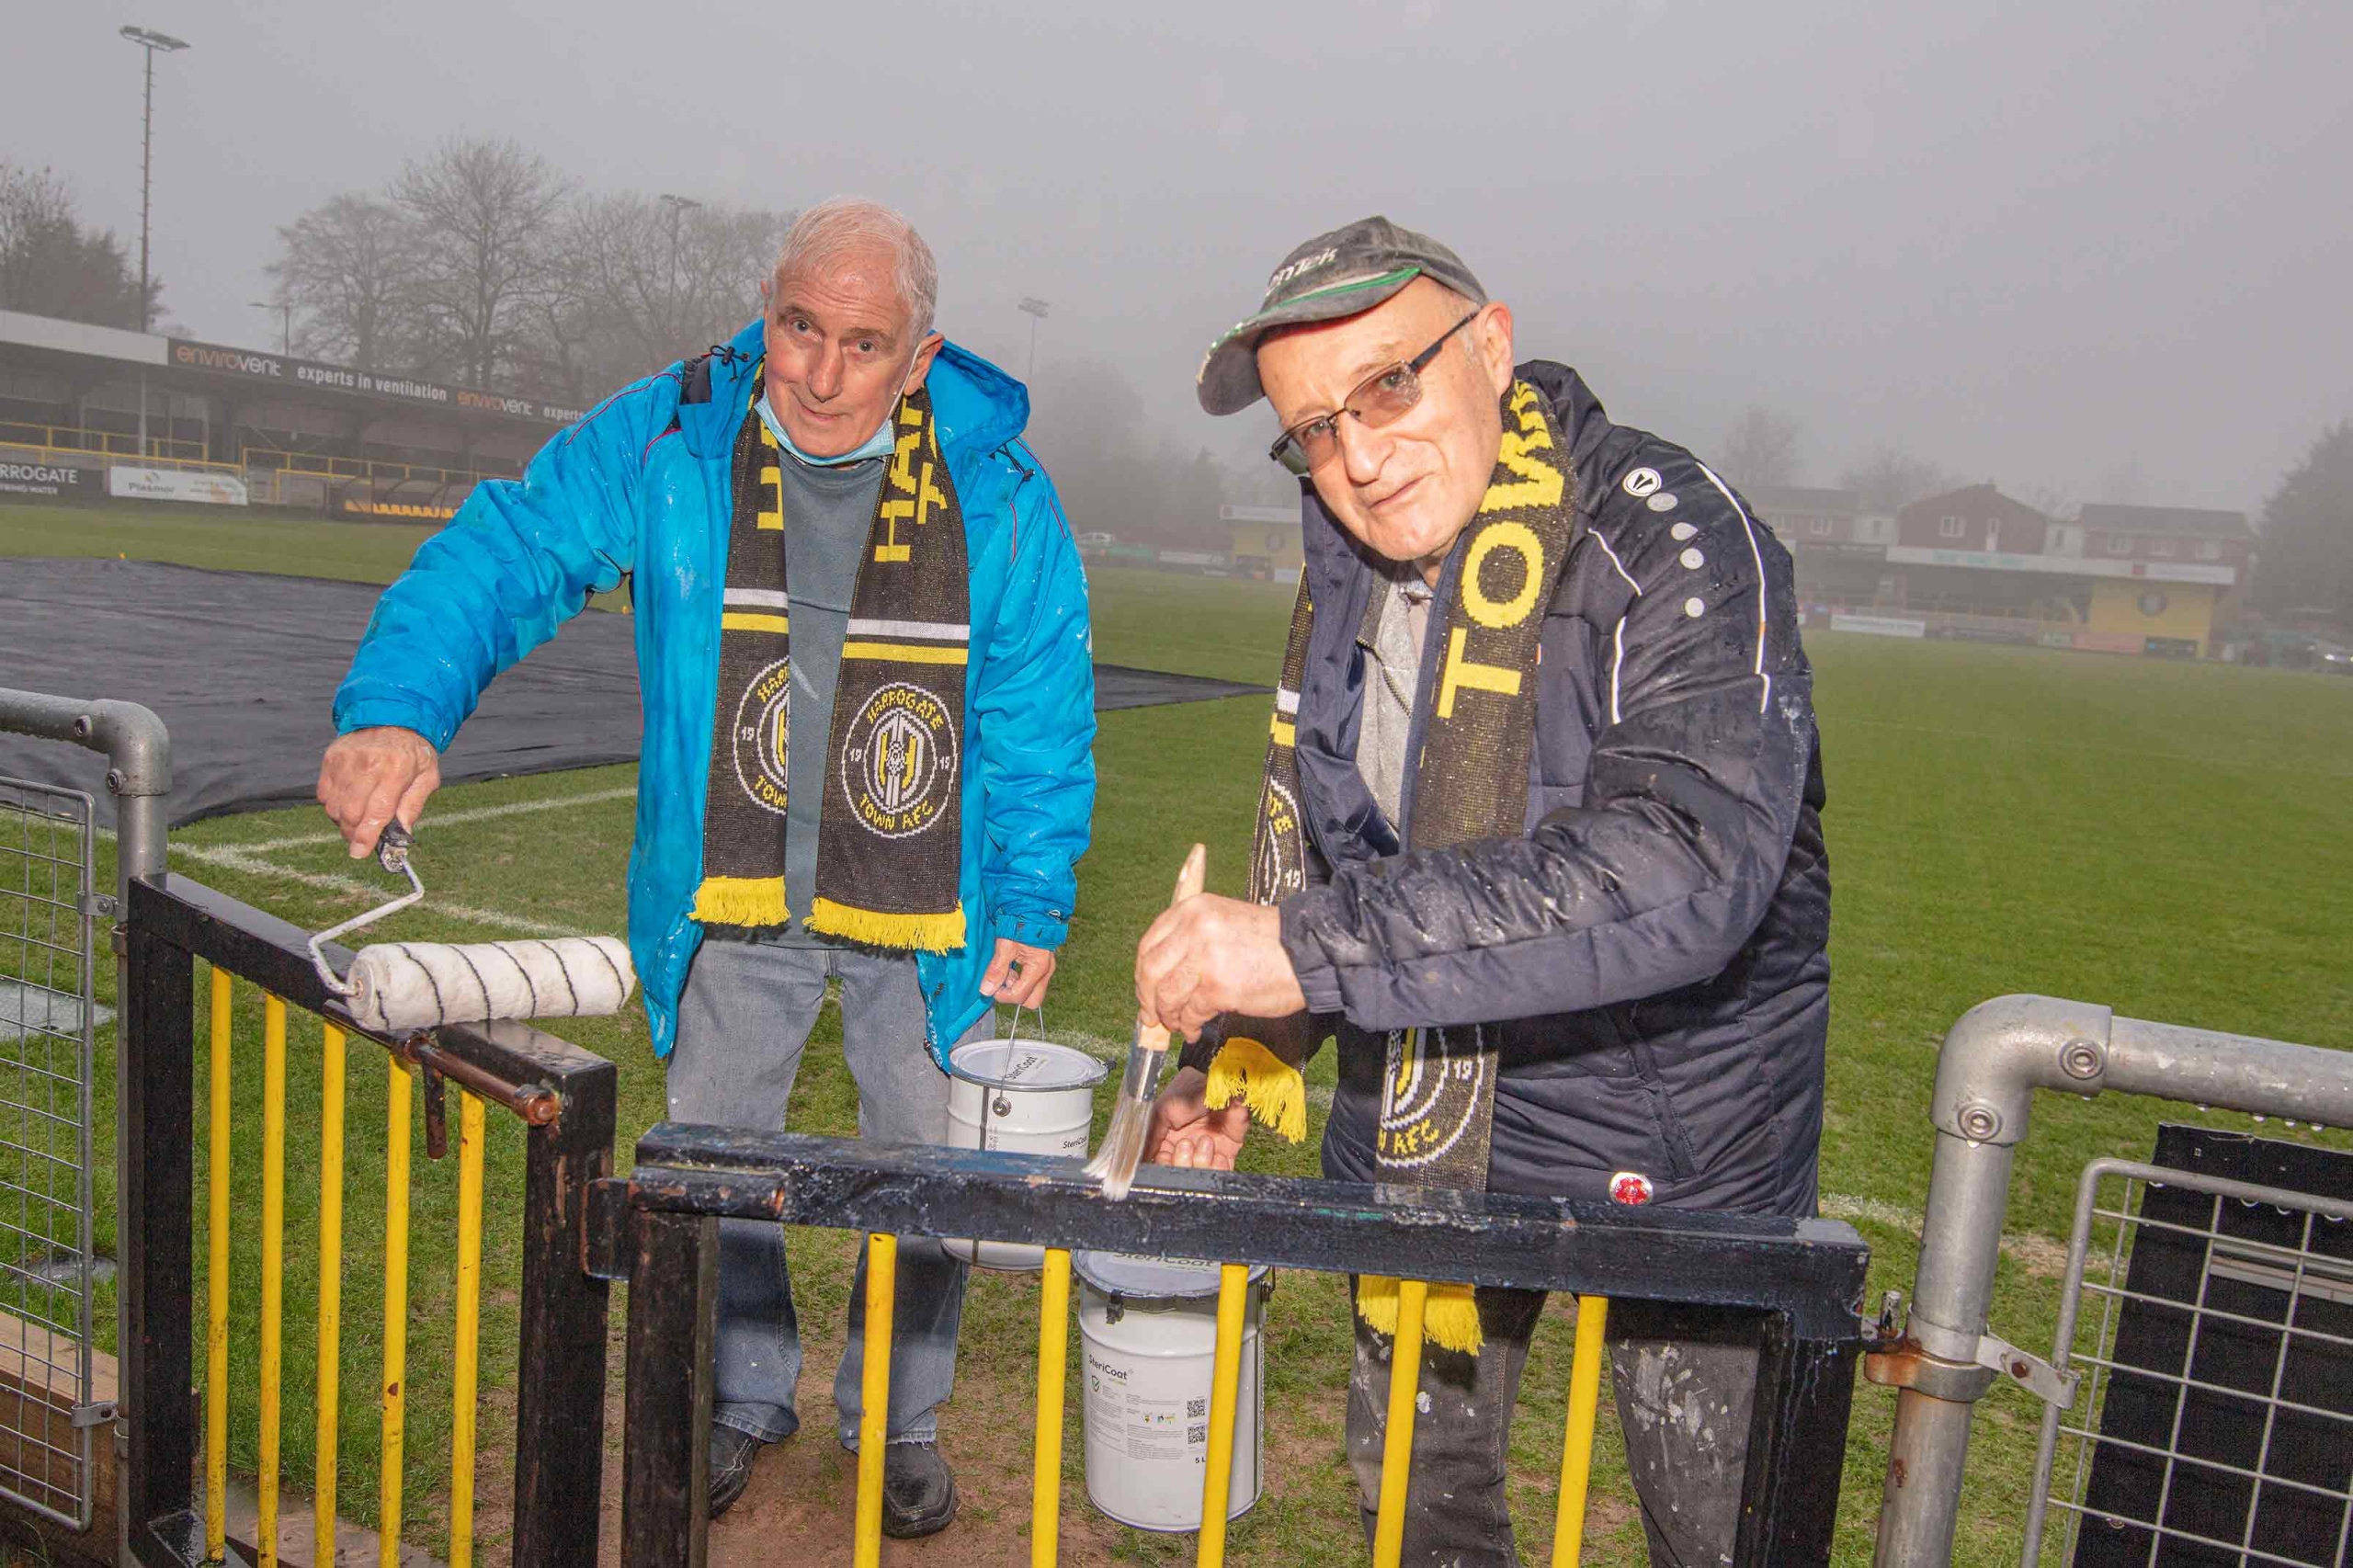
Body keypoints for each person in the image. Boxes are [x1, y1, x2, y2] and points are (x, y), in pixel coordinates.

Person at [318, 198, 1097, 1536]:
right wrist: (399, 701)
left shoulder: (1002, 487)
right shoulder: (675, 431)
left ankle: (899, 1418)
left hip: (930, 907)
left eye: (866, 343)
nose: (824, 373)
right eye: (801, 328)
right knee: (710, 1167)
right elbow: (514, 544)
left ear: (920, 358)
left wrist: (1031, 893)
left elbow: (1036, 703)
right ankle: (740, 1392)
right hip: (727, 895)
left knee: (924, 1175)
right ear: (767, 310)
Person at [1135, 216, 1829, 1567]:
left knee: (1720, 1526)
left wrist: (1302, 952)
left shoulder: (1675, 533)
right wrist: (1247, 1045)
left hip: (1678, 1144)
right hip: (1429, 1128)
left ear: (1493, 346)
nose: (1357, 455)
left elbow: (1684, 861)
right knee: (1416, 1504)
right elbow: (1340, 844)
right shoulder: (1342, 572)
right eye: (1312, 429)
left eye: (1388, 384)